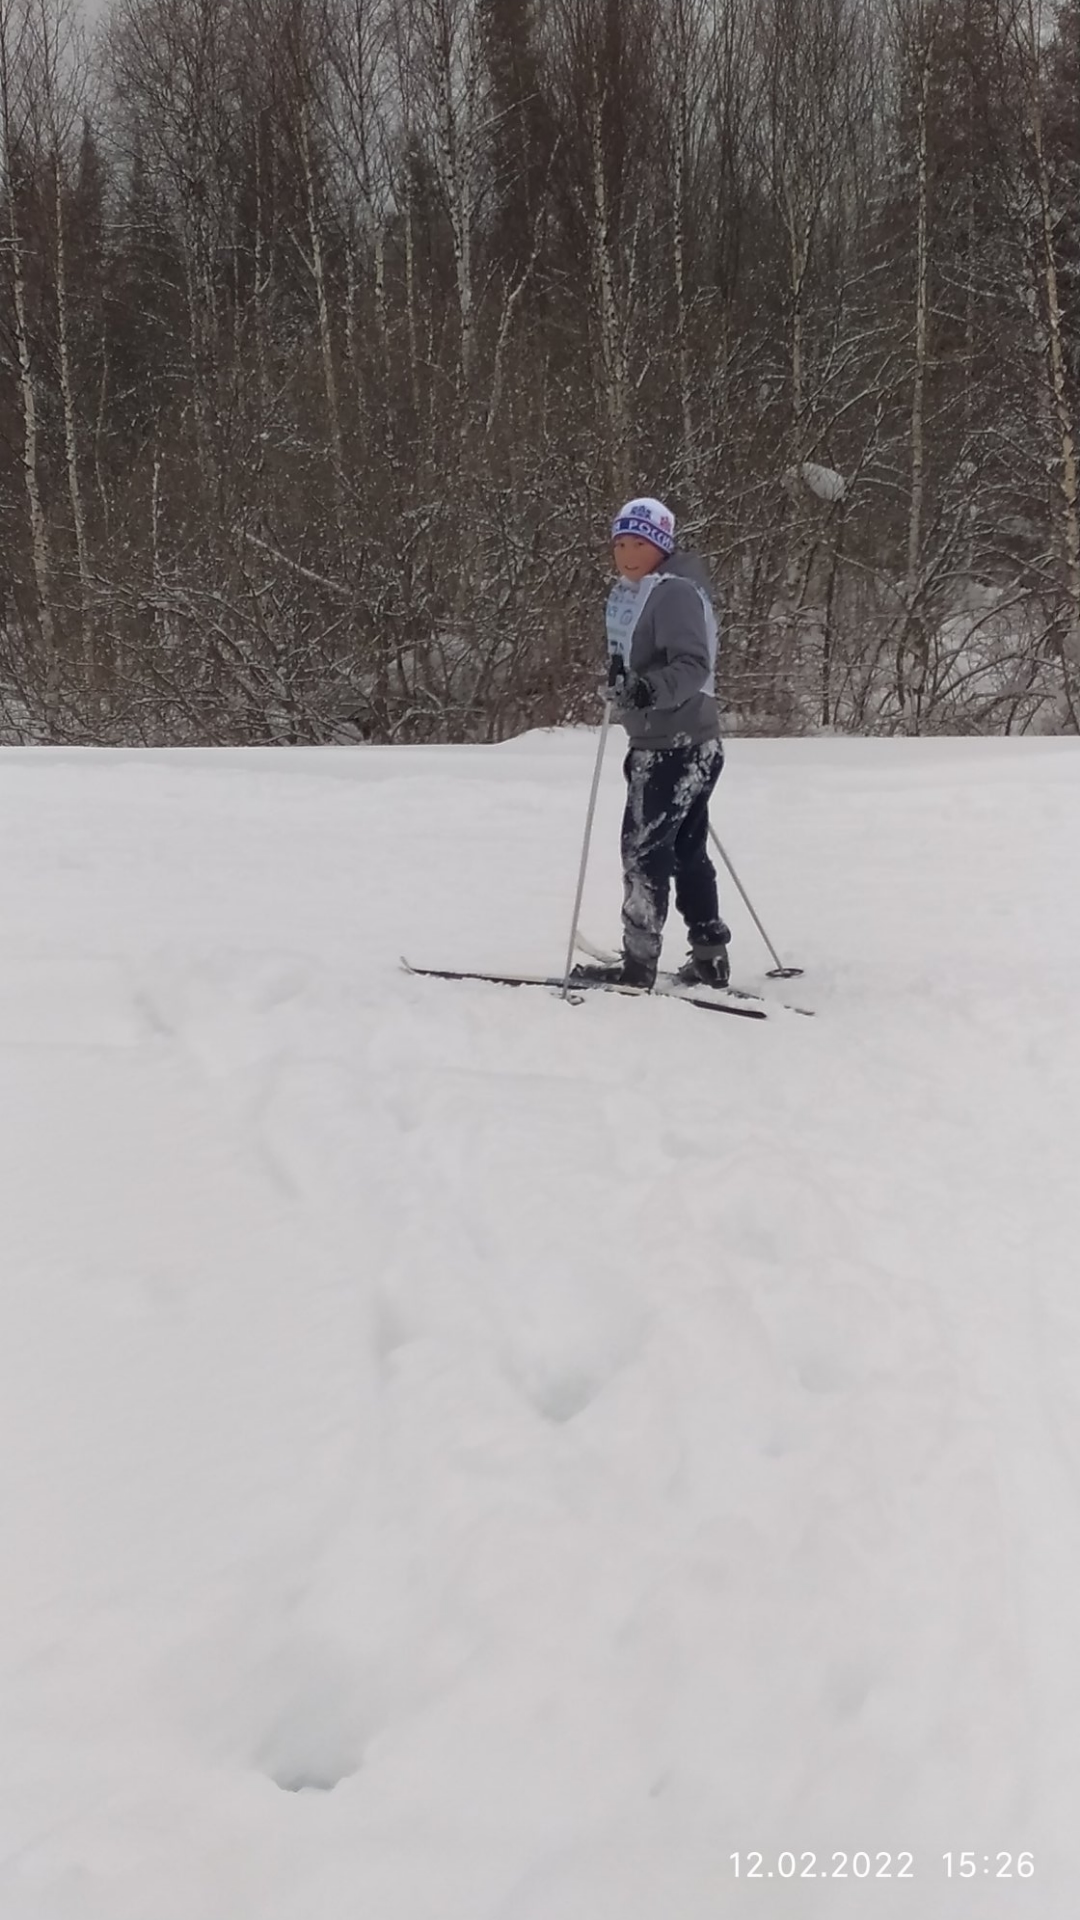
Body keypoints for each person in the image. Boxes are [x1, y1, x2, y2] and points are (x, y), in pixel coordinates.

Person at [575, 495, 731, 992]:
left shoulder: (672, 592)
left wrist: (644, 690)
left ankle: (638, 966)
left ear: (661, 545)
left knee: (644, 852)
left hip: (674, 742)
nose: (625, 552)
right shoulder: (639, 592)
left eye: (638, 542)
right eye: (619, 542)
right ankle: (709, 957)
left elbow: (692, 664)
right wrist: (625, 682)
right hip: (678, 738)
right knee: (686, 851)